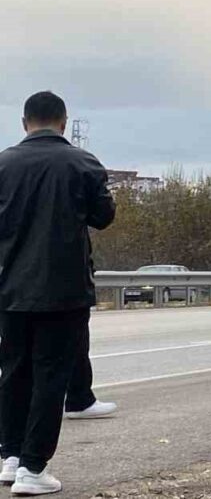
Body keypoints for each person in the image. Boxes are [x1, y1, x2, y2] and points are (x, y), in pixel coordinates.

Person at [0, 91, 116, 494]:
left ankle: (10, 457)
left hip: (9, 288)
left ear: (24, 122)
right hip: (63, 289)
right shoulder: (83, 163)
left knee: (13, 372)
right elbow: (104, 217)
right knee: (51, 375)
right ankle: (34, 469)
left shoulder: (3, 163)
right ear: (64, 123)